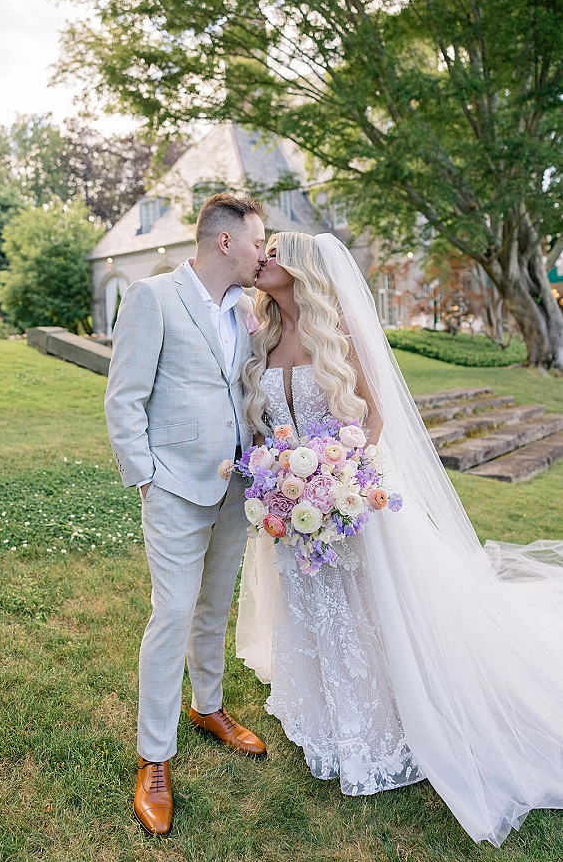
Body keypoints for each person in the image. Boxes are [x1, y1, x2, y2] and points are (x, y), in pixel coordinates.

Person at [236, 230, 563, 847]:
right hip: (288, 500)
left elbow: (376, 415)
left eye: (275, 252)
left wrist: (339, 476)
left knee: (365, 611)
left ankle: (381, 720)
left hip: (348, 494)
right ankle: (324, 719)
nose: (263, 258)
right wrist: (281, 480)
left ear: (301, 268)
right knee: (309, 604)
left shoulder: (339, 333)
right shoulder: (263, 336)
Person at [105, 193, 268, 837]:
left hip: (236, 488)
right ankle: (154, 758)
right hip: (173, 486)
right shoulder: (154, 297)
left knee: (214, 606)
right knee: (172, 613)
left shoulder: (246, 310)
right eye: (258, 241)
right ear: (225, 242)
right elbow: (125, 398)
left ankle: (208, 707)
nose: (264, 252)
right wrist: (147, 479)